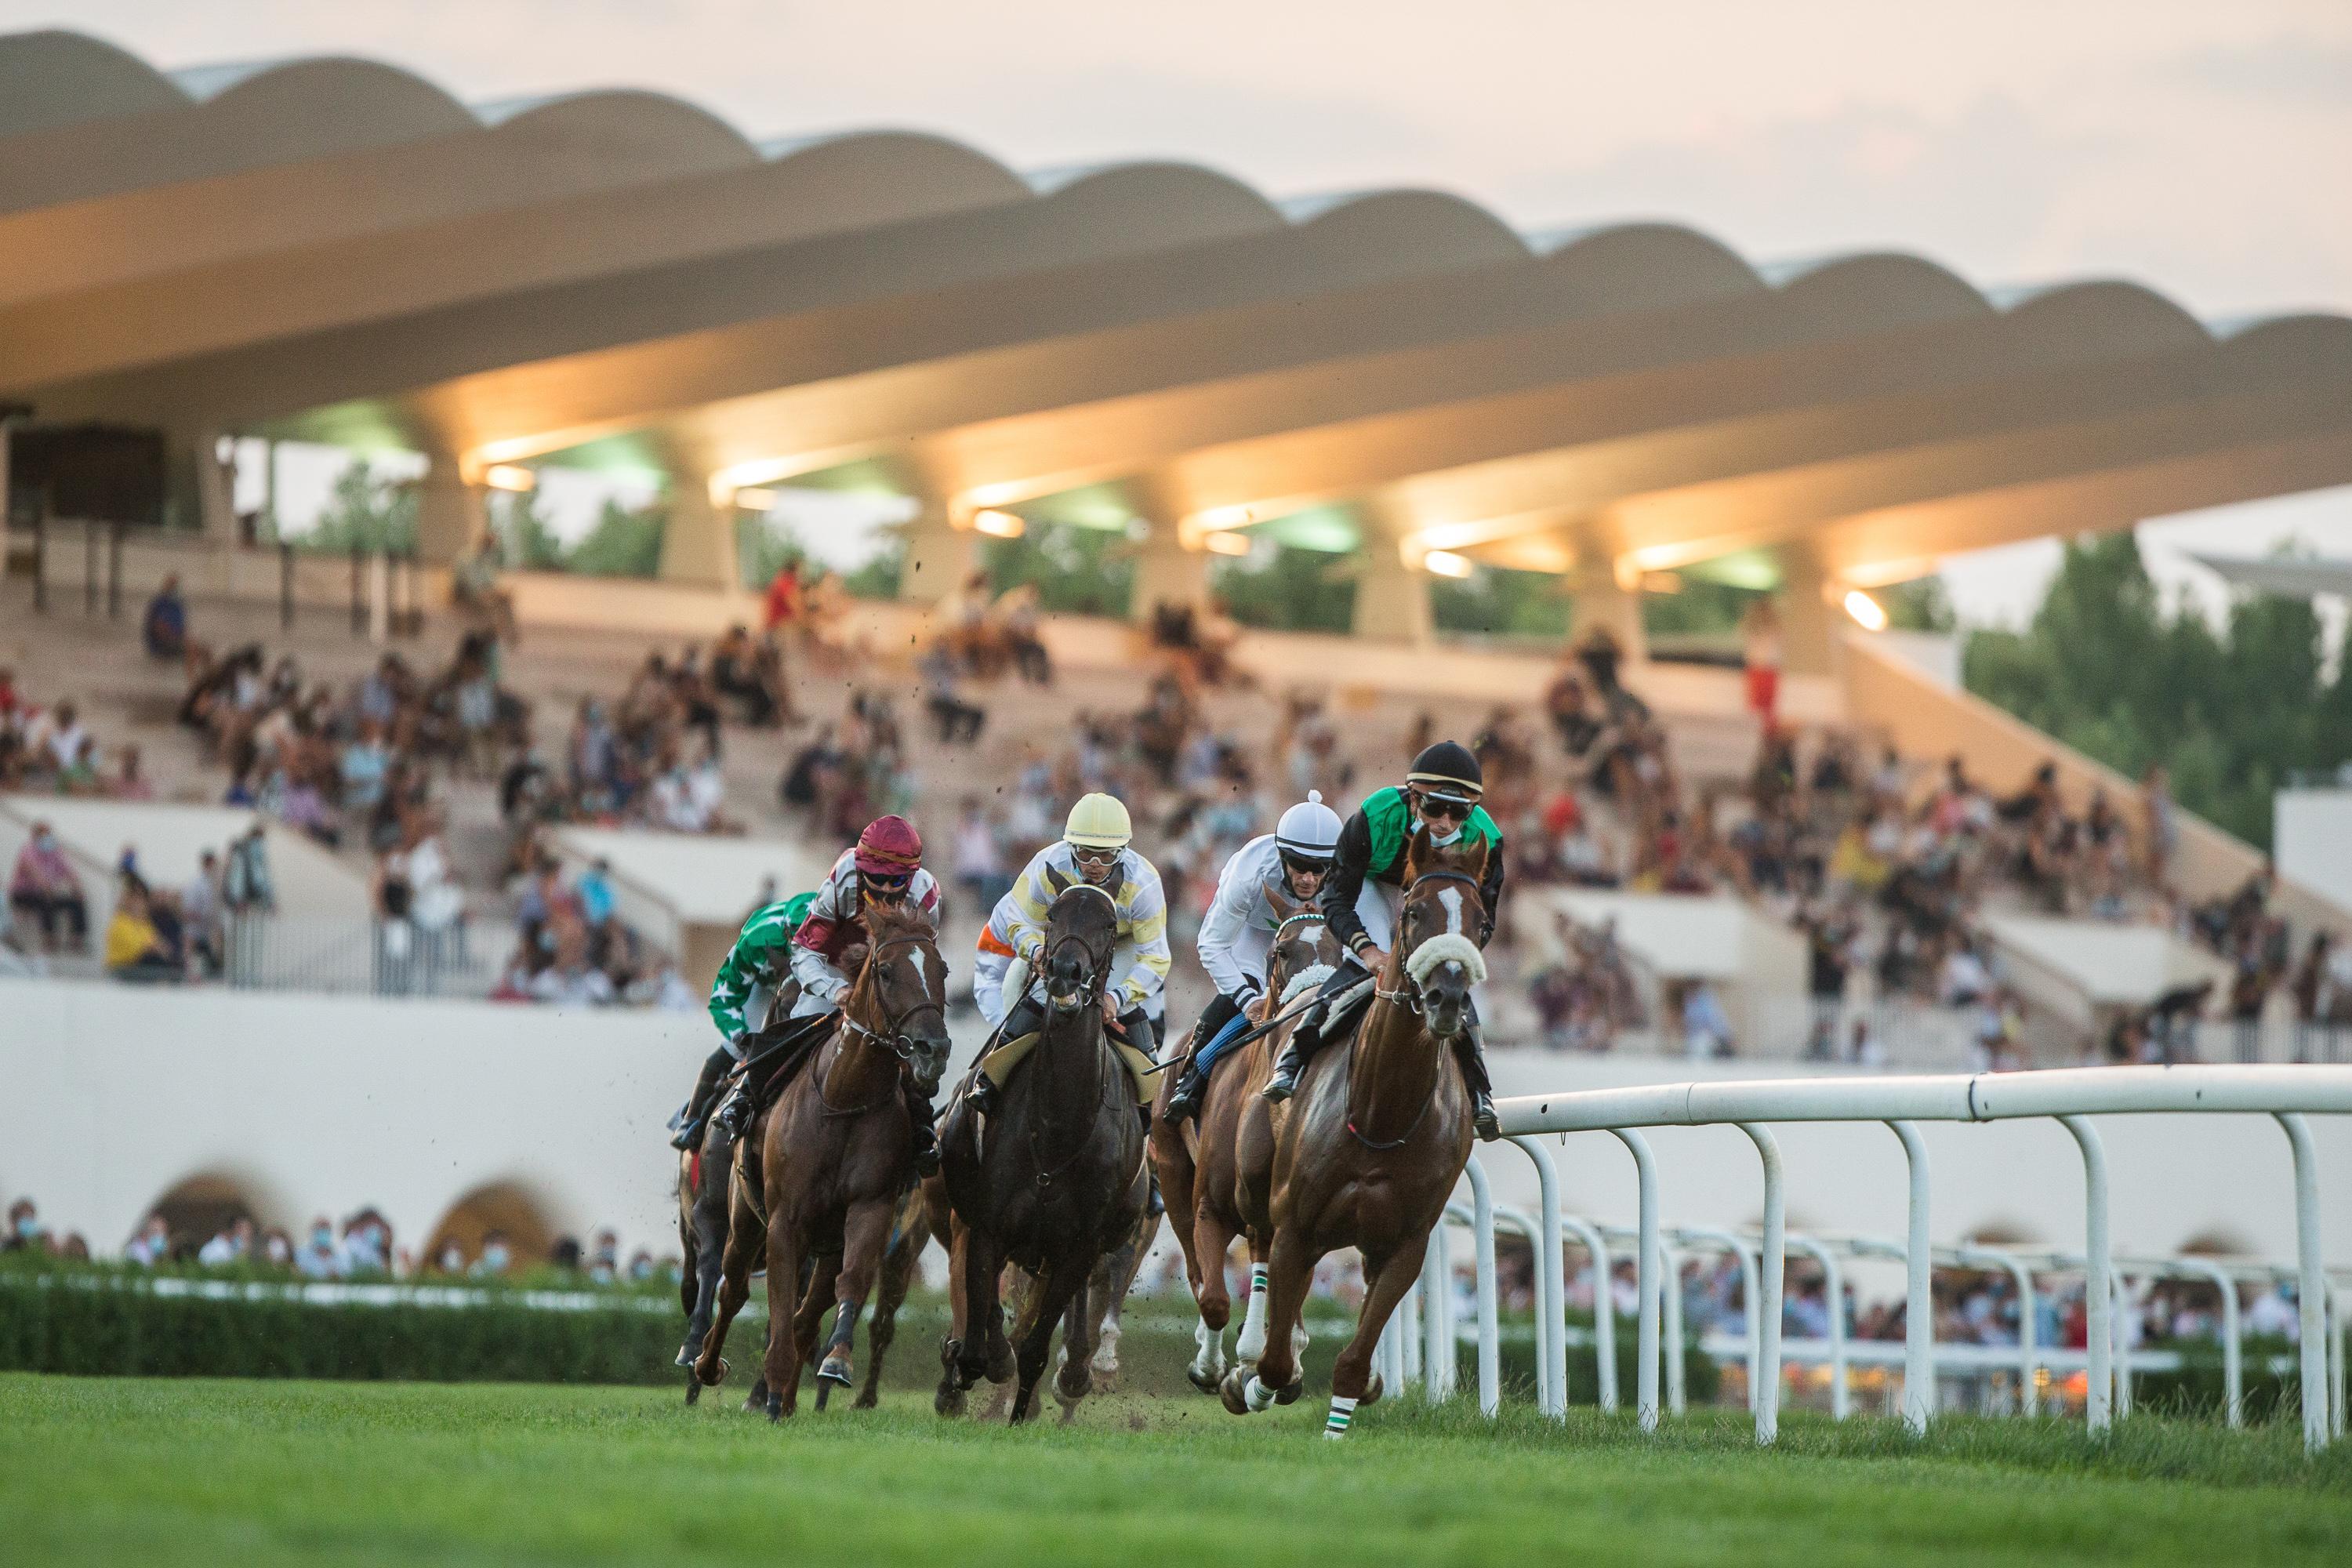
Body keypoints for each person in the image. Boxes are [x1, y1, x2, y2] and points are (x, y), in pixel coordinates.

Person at [1263, 742, 1507, 1139]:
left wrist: (1451, 956)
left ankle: (1481, 1092)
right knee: (1361, 968)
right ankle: (1293, 1056)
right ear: (1413, 799)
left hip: (1441, 895)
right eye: (1433, 808)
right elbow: (1336, 898)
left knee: (1450, 977)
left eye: (1458, 811)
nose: (1444, 822)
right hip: (1375, 887)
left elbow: (1484, 919)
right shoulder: (1375, 816)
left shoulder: (1488, 840)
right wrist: (1369, 950)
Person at [956, 793, 1168, 1129]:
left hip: (1120, 943)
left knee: (1130, 1013)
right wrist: (1037, 953)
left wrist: (1117, 997)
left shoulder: (1143, 884)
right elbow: (1017, 920)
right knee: (1042, 995)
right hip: (1055, 938)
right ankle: (989, 1081)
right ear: (1070, 847)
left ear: (1122, 852)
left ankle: (1151, 1106)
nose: (1094, 865)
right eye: (1085, 853)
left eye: (1105, 855)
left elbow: (1155, 958)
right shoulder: (1045, 866)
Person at [1161, 790, 1345, 1123]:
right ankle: (1191, 1080)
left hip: (1314, 937)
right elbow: (1212, 944)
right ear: (1282, 856)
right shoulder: (1249, 874)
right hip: (1253, 931)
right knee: (1248, 988)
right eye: (1299, 867)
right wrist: (1248, 1001)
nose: (1308, 879)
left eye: (1319, 870)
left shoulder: (1346, 878)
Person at [9, 822, 89, 952]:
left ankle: (77, 939)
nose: (47, 838)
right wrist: (46, 888)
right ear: (35, 836)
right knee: (45, 899)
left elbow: (69, 871)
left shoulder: (55, 853)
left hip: (47, 893)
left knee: (76, 902)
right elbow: (35, 873)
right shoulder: (28, 851)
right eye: (44, 834)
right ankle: (49, 940)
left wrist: (77, 888)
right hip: (23, 895)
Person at [143, 574, 188, 660]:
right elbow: (158, 627)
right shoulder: (160, 604)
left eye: (175, 585)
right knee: (192, 649)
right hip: (161, 645)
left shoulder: (178, 604)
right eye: (172, 586)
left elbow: (182, 626)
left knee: (199, 649)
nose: (174, 589)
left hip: (175, 641)